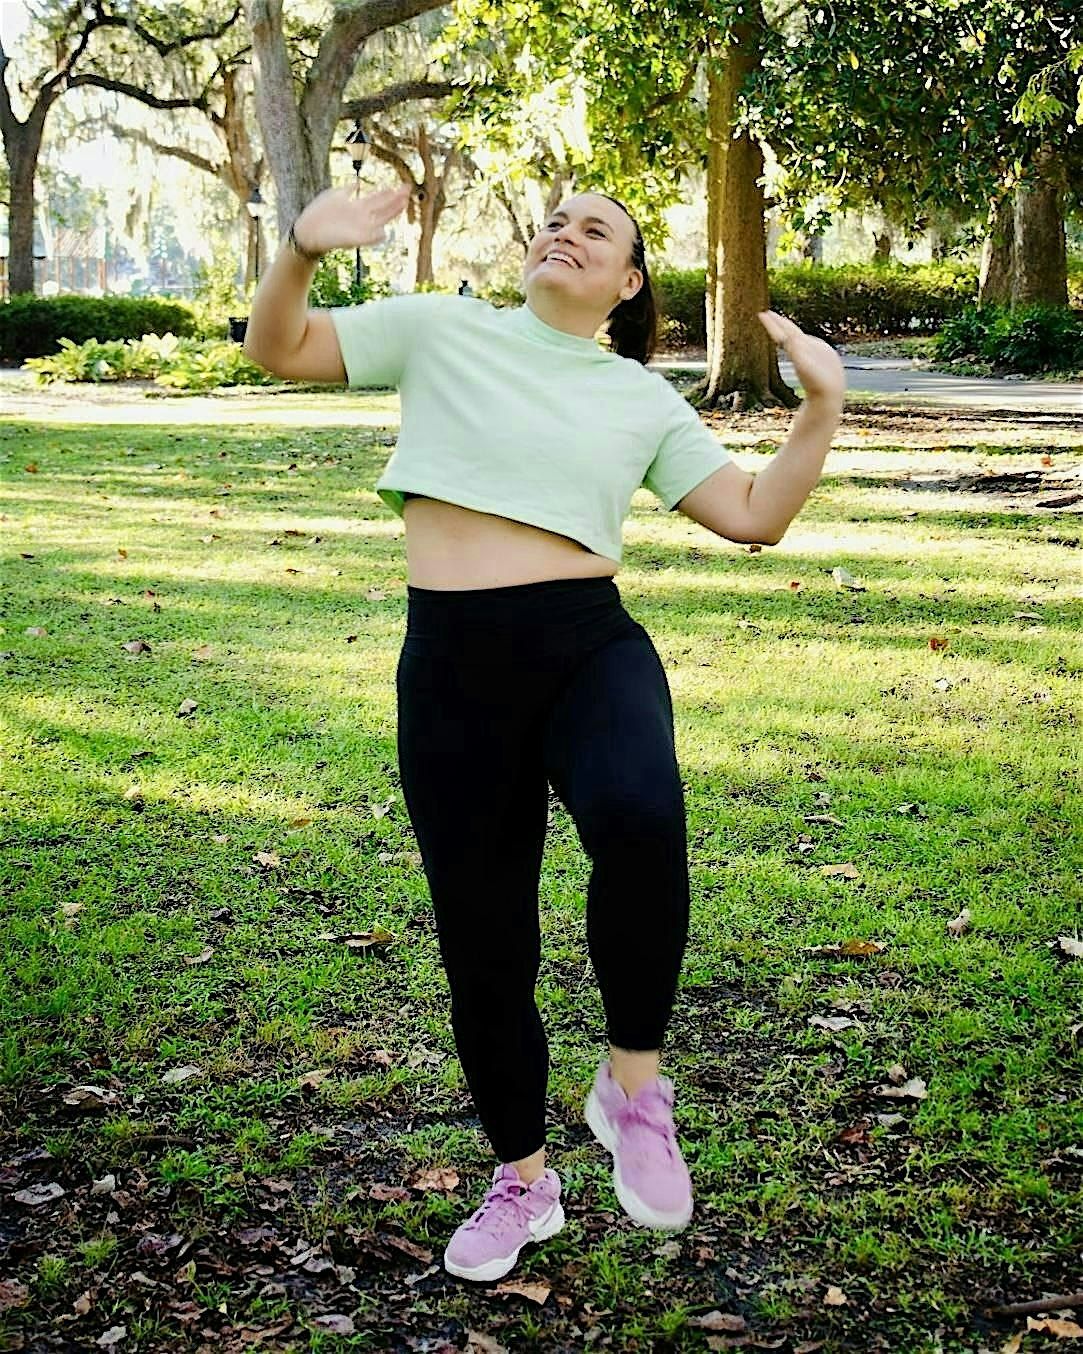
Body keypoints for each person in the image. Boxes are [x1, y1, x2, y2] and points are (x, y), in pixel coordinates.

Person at [242, 181, 845, 1285]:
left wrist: (822, 405)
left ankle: (631, 1089)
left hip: (585, 647)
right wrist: (301, 249)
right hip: (453, 669)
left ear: (627, 284)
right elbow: (275, 347)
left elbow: (755, 515)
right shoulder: (440, 330)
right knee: (485, 941)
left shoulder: (638, 397)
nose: (566, 233)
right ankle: (523, 1180)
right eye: (557, 219)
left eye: (596, 230)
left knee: (641, 817)